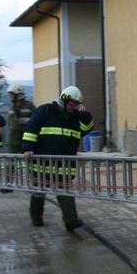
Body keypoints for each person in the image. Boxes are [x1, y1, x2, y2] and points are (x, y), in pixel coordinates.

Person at [22, 86, 94, 231]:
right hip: (41, 163)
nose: (73, 107)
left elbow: (87, 128)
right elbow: (31, 128)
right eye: (72, 104)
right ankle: (36, 218)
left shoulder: (76, 117)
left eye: (76, 105)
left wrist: (84, 114)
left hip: (64, 164)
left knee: (65, 193)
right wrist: (27, 147)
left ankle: (71, 221)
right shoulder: (46, 110)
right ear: (64, 99)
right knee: (38, 192)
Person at [0, 84, 36, 193]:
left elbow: (35, 122)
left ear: (18, 94)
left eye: (12, 94)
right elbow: (12, 125)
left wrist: (23, 123)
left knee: (32, 164)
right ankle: (8, 185)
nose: (10, 96)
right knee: (9, 163)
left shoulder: (29, 106)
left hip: (27, 140)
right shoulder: (11, 108)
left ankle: (35, 185)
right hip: (13, 141)